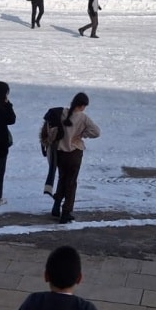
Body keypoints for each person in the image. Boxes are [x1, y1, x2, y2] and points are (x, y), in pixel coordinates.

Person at [49, 92, 100, 224]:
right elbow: (96, 132)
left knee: (62, 178)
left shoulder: (62, 113)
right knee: (71, 183)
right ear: (82, 106)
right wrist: (82, 134)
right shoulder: (83, 118)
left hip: (60, 152)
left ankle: (56, 205)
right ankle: (66, 212)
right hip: (74, 153)